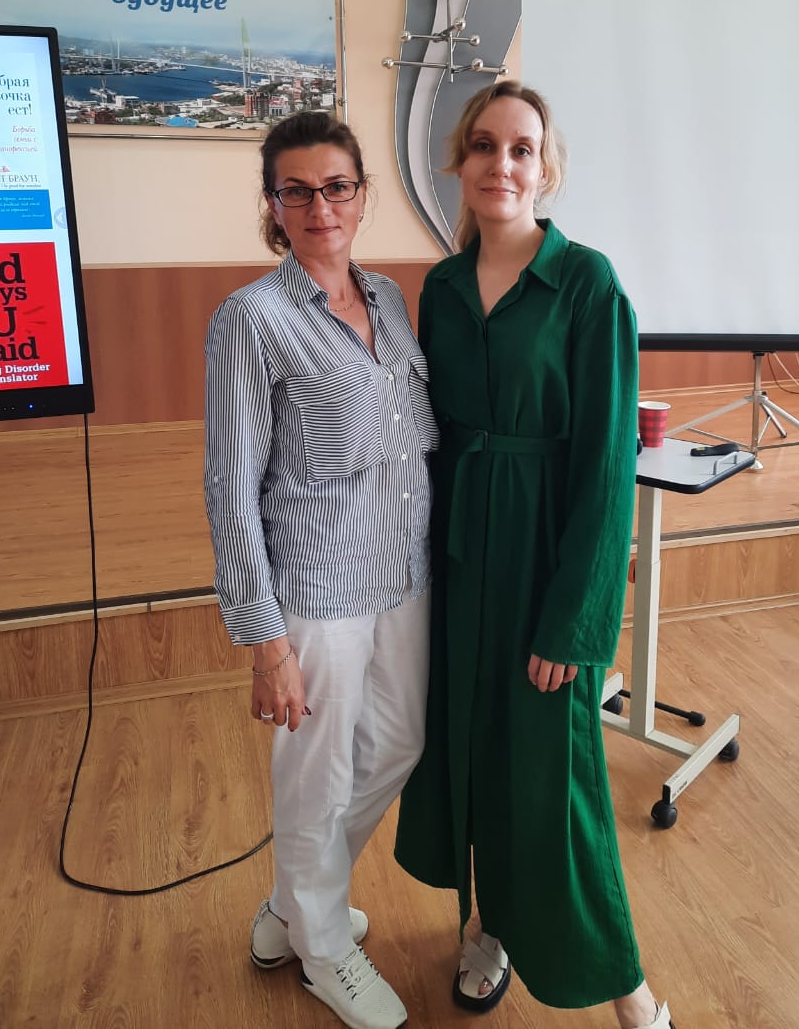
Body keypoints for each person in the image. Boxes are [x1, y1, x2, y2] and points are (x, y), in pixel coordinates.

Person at [394, 82, 674, 1029]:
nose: (500, 165)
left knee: (556, 779)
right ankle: (489, 926)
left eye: (521, 149)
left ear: (545, 167)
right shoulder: (440, 287)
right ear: (459, 161)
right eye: (483, 145)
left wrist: (574, 619)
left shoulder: (588, 284)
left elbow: (605, 466)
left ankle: (629, 990)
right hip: (457, 560)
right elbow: (428, 438)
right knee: (471, 752)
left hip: (544, 563)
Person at [204, 110, 437, 1029]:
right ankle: (325, 950)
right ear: (273, 205)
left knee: (399, 743)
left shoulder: (390, 299)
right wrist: (267, 644)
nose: (319, 206)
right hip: (316, 585)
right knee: (317, 773)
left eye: (336, 186)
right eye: (296, 191)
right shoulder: (251, 320)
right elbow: (230, 487)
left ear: (363, 194)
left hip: (403, 570)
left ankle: (293, 908)